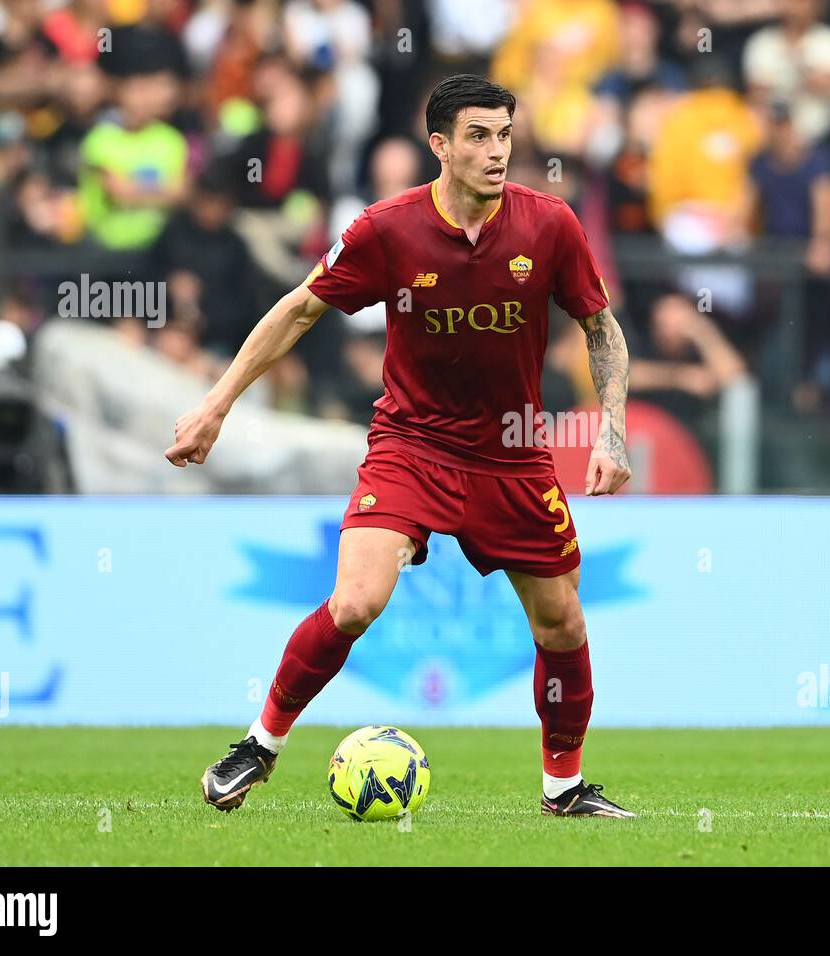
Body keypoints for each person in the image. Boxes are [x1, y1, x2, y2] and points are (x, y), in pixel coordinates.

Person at [166, 74, 636, 818]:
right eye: (479, 136)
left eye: (506, 135)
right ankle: (258, 746)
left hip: (512, 455)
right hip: (411, 444)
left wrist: (610, 428)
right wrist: (215, 406)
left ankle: (564, 788)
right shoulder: (387, 228)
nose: (497, 151)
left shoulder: (550, 226)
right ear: (440, 144)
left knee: (563, 622)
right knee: (355, 602)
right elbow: (298, 312)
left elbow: (601, 328)